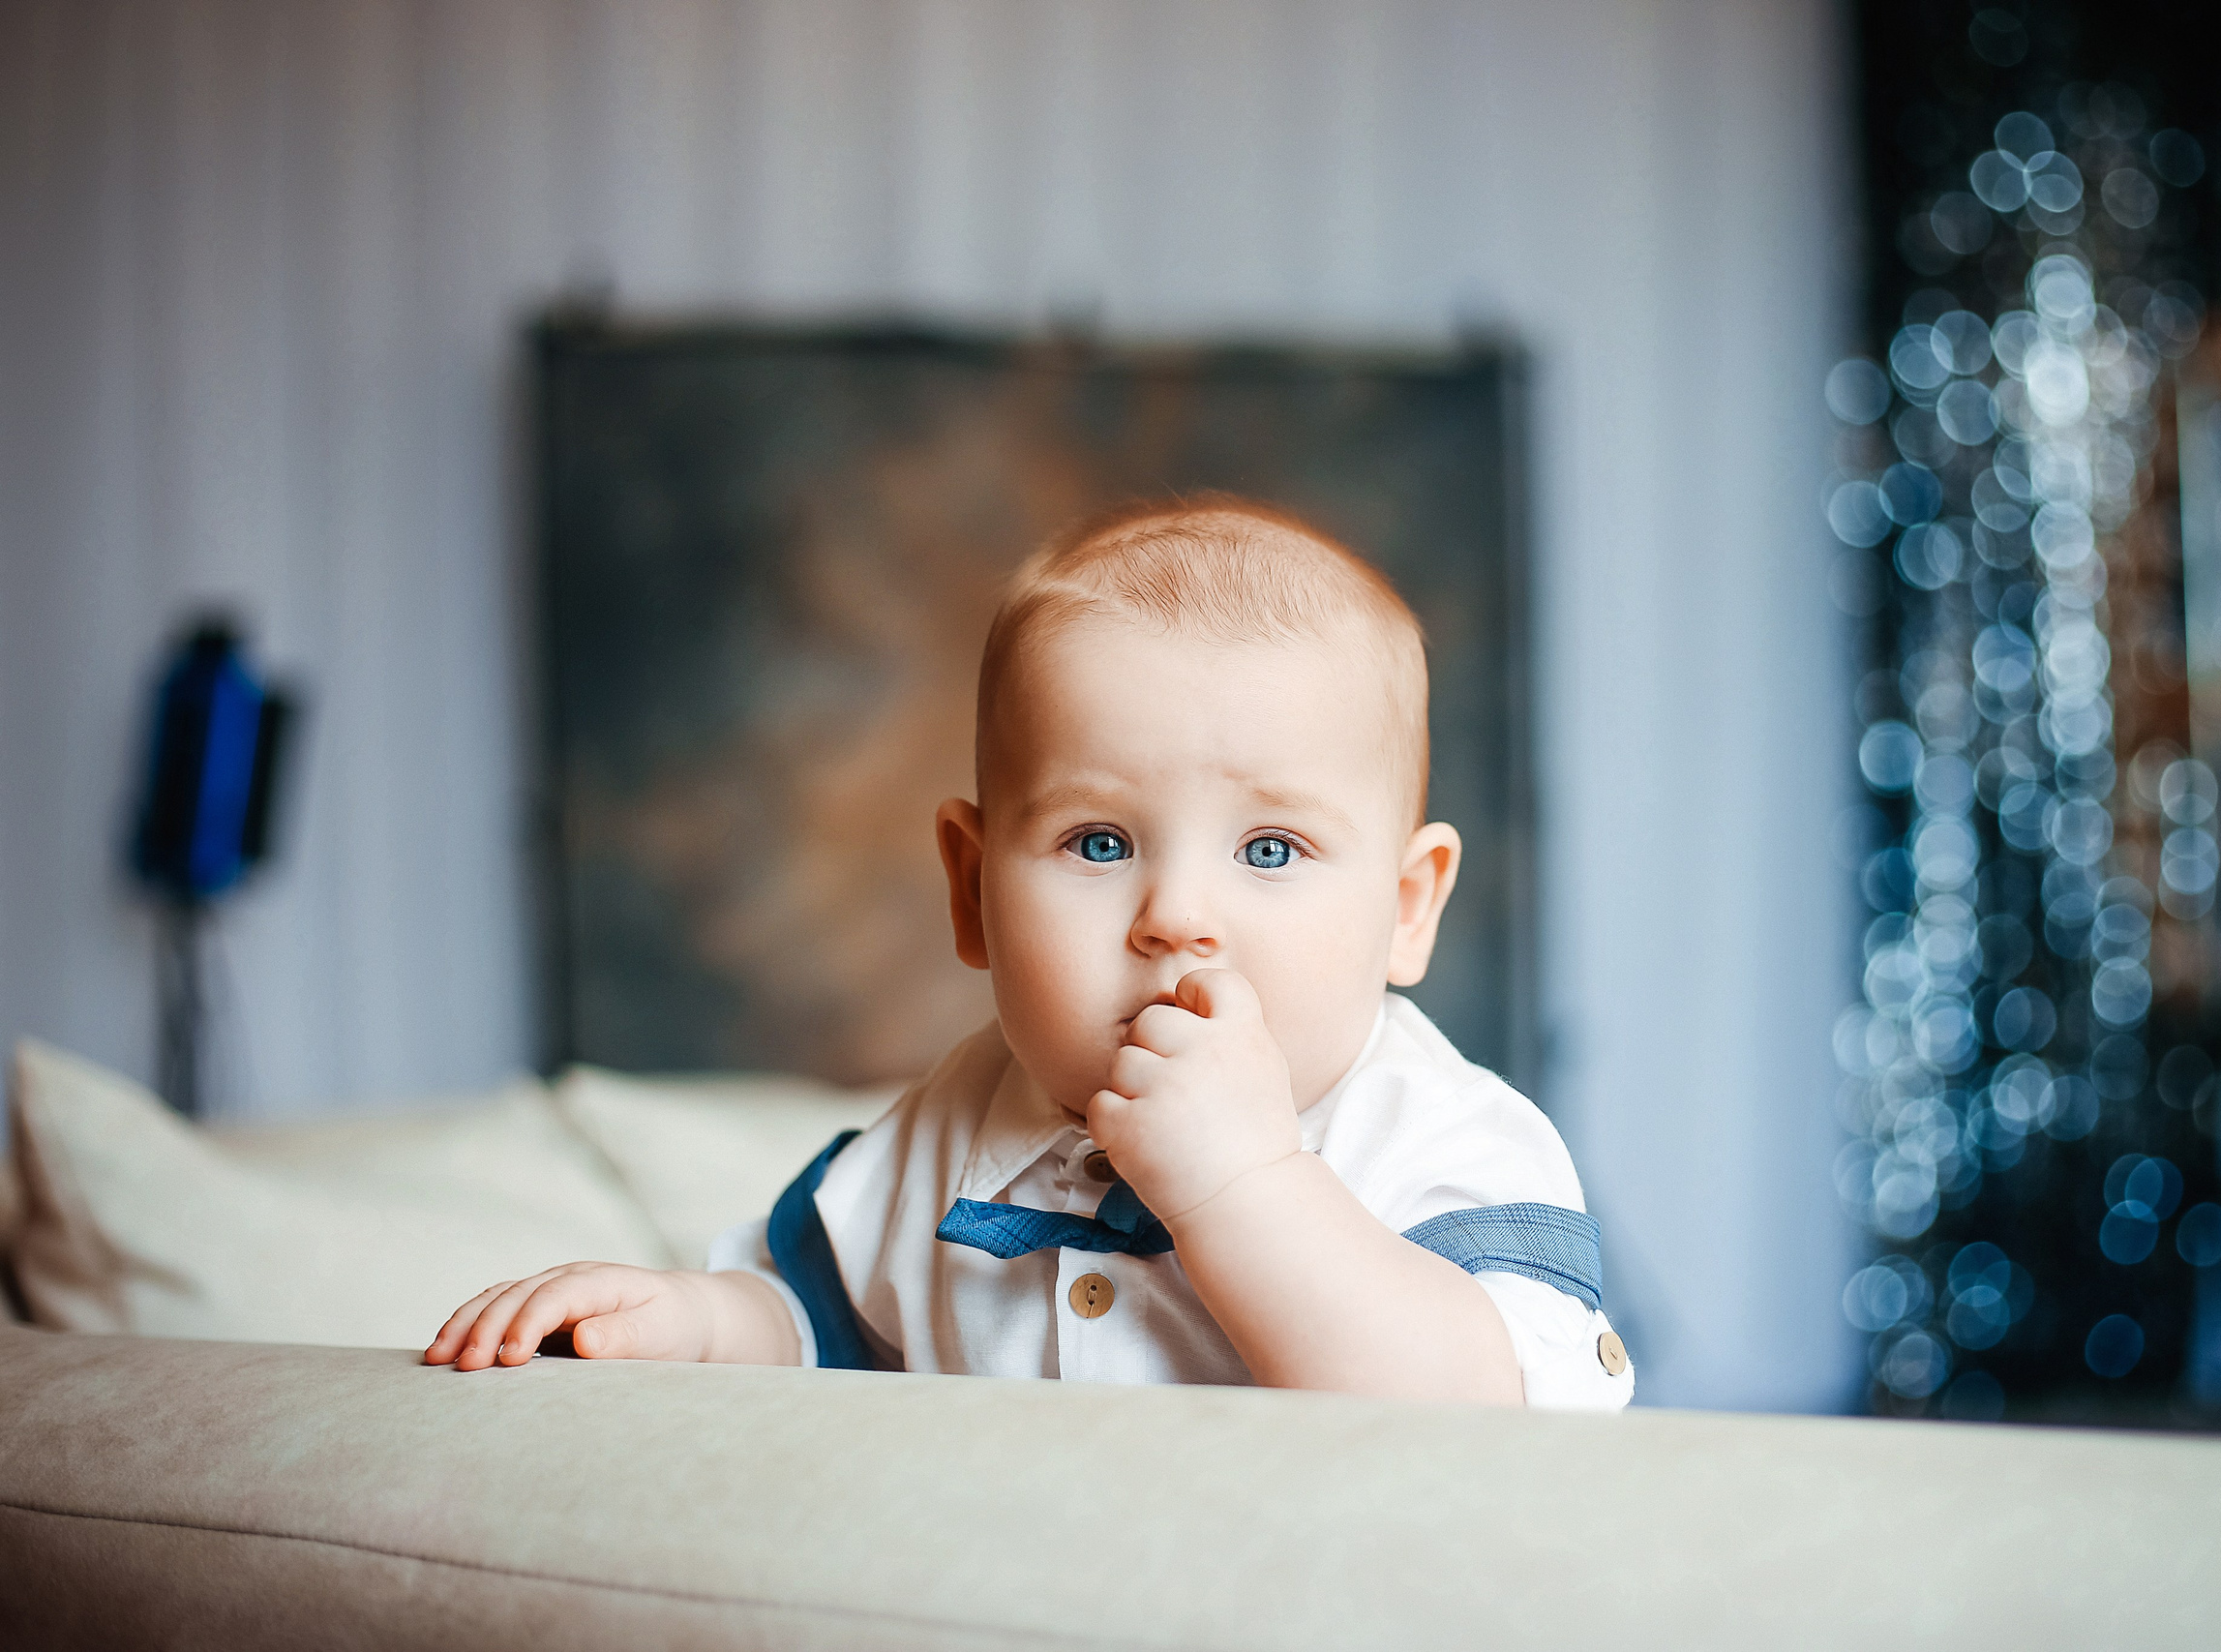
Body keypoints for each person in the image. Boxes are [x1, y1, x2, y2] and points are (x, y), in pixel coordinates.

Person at [428, 498, 1632, 1407]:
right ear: (971, 889)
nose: (1177, 917)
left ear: (1406, 907)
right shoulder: (955, 1128)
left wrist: (1244, 1180)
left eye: (1270, 850)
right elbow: (818, 1320)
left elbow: (1477, 1420)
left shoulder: (1443, 1140)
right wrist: (686, 1319)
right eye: (1098, 840)